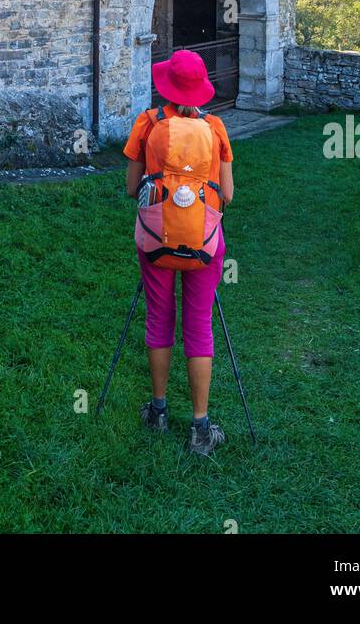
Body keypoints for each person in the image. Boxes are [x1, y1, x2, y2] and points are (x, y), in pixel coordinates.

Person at [124, 49, 234, 456]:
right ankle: (201, 427)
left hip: (156, 240)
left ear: (165, 85)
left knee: (159, 317)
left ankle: (158, 411)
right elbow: (229, 194)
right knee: (198, 324)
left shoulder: (148, 123)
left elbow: (132, 188)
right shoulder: (216, 128)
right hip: (204, 243)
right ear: (201, 91)